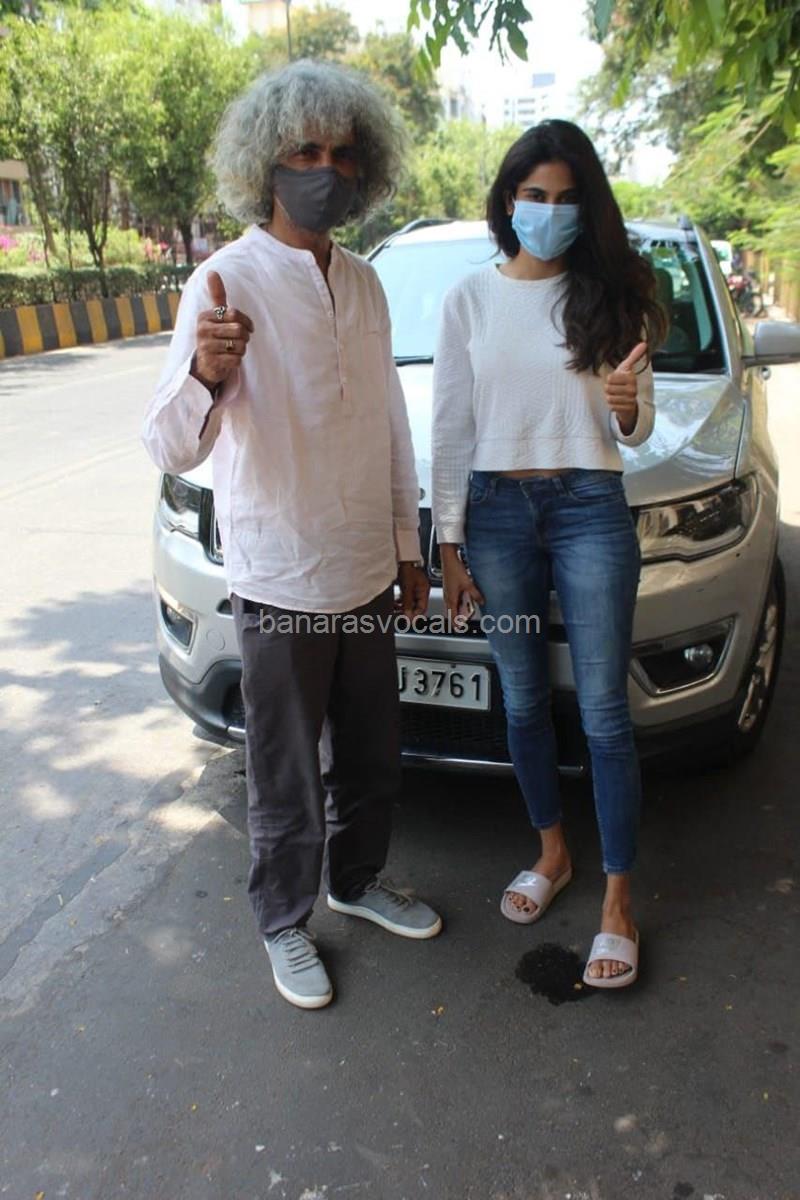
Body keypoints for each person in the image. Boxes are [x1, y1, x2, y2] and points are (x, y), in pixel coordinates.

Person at [142, 61, 441, 1011]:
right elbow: (170, 445)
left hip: (365, 572)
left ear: (365, 169)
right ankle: (283, 920)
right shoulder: (226, 279)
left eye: (342, 154)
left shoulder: (366, 284)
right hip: (278, 578)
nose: (325, 170)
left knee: (373, 755)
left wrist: (407, 549)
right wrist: (205, 370)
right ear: (264, 165)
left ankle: (356, 882)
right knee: (285, 773)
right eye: (304, 151)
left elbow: (390, 424)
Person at [432, 120, 666, 990]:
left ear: (586, 207)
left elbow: (633, 430)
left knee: (603, 713)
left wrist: (626, 402)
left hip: (589, 509)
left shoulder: (609, 297)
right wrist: (448, 543)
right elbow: (450, 424)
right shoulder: (468, 299)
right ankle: (553, 853)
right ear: (508, 200)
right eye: (535, 195)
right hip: (496, 515)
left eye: (567, 199)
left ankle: (618, 902)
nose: (549, 211)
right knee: (524, 699)